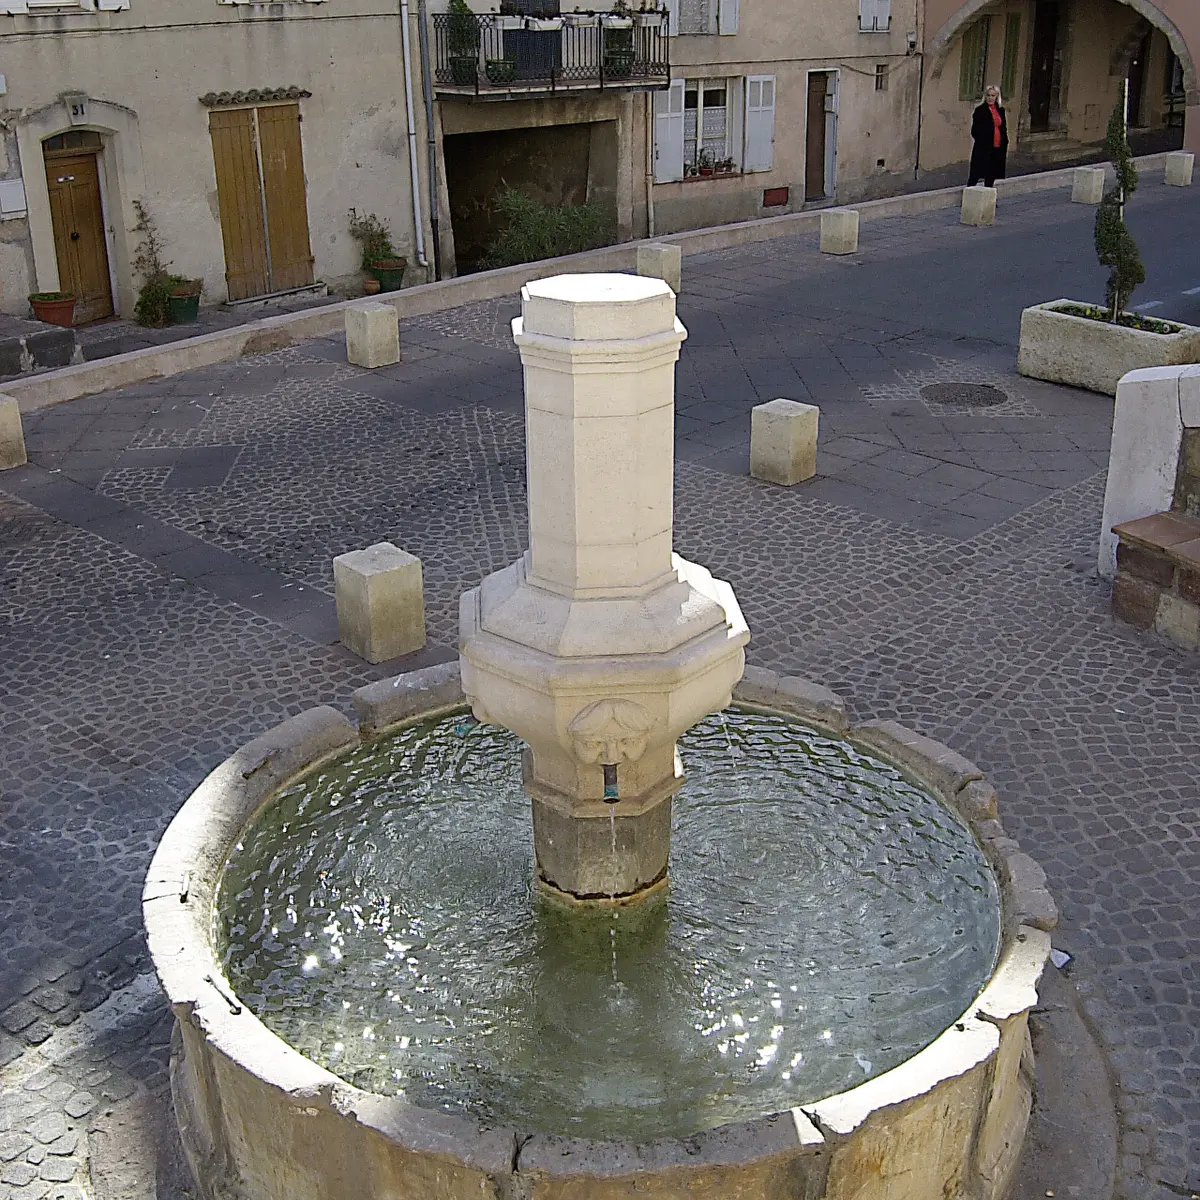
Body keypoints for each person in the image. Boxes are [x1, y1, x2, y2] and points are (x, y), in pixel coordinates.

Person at [969, 85, 1009, 187]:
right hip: (983, 147)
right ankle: (969, 197)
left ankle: (988, 199)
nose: (990, 98)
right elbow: (975, 130)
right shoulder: (980, 110)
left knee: (991, 174)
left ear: (997, 97)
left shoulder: (1000, 110)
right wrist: (983, 140)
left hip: (997, 146)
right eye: (988, 95)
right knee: (976, 174)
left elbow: (1003, 127)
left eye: (993, 95)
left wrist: (1005, 141)